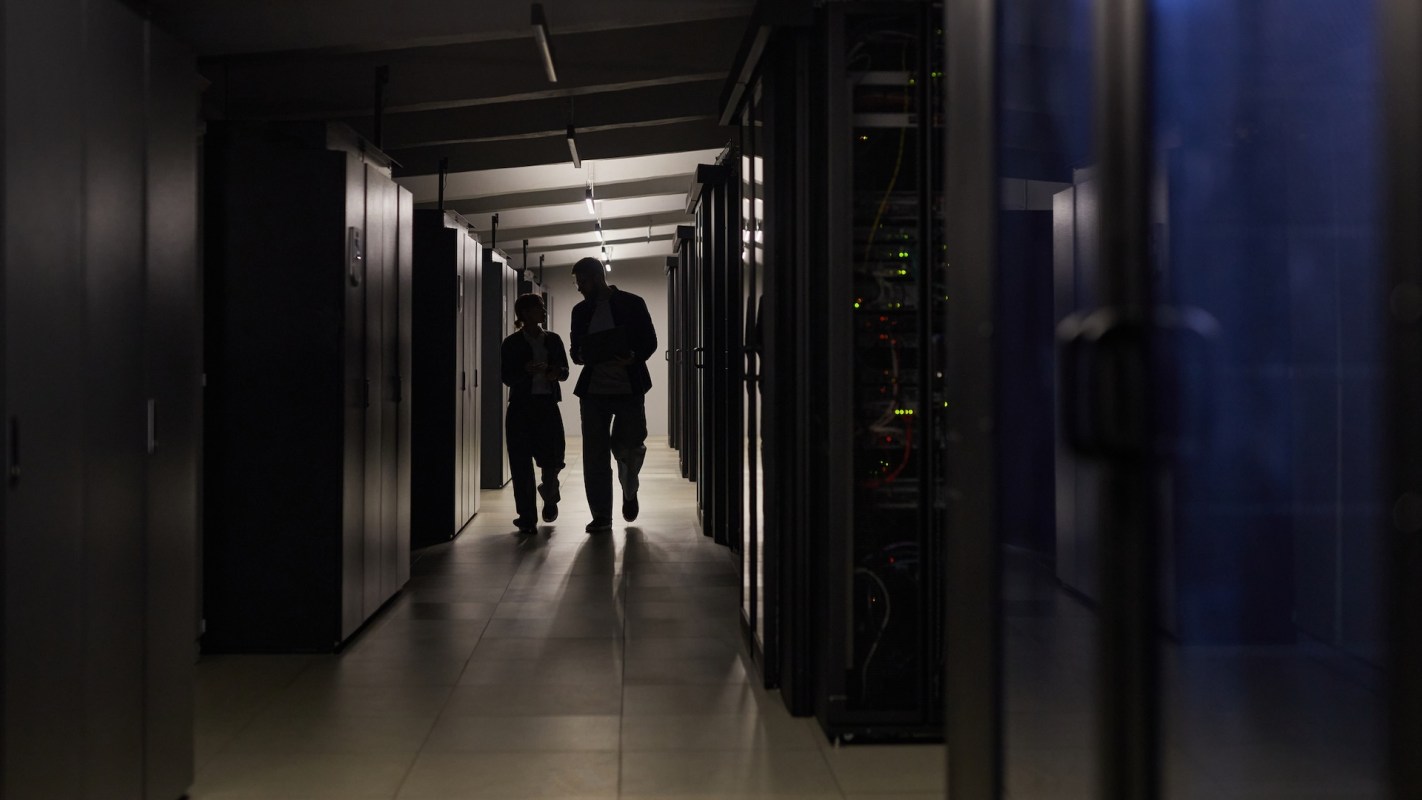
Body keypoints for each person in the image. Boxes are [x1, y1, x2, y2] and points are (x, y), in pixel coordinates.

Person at [568, 257, 657, 533]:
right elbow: (575, 351)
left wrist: (632, 358)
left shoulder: (633, 303)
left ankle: (630, 490)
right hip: (593, 392)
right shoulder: (580, 311)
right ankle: (602, 517)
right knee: (594, 456)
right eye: (578, 283)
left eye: (583, 282)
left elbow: (649, 342)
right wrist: (581, 354)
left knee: (629, 448)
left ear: (597, 277)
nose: (580, 288)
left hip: (628, 388)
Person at [500, 293, 570, 534]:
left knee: (552, 459)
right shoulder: (511, 343)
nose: (544, 311)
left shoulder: (553, 339)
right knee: (520, 464)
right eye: (539, 308)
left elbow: (565, 371)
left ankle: (550, 497)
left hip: (547, 405)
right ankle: (526, 516)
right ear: (526, 313)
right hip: (520, 407)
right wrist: (525, 370)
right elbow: (506, 376)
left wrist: (553, 373)